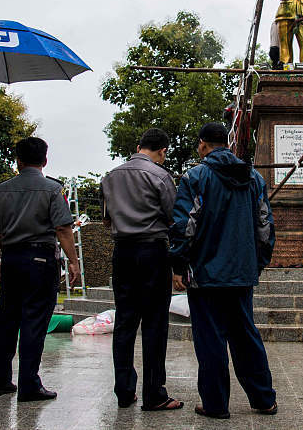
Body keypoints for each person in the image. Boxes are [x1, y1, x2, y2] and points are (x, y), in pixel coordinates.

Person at [170, 122, 277, 420]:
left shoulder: (196, 176)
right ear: (226, 143)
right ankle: (264, 399)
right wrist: (256, 263)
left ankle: (216, 404)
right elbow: (265, 227)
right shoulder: (254, 178)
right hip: (242, 274)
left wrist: (178, 264)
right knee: (245, 336)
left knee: (211, 339)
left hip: (205, 275)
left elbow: (183, 227)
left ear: (203, 144)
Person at [0, 137, 80, 402]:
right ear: (45, 160)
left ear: (18, 161)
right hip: (40, 259)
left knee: (6, 321)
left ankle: (0, 380)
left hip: (12, 258)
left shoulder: (1, 191)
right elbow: (62, 228)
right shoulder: (53, 190)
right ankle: (29, 383)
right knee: (34, 322)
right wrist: (74, 261)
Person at [100, 128, 183, 411]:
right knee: (155, 323)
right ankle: (154, 393)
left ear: (138, 146)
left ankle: (124, 390)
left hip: (122, 251)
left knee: (124, 322)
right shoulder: (160, 176)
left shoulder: (110, 177)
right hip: (153, 251)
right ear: (162, 151)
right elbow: (175, 218)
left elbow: (107, 219)